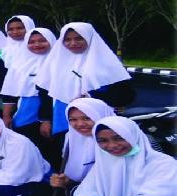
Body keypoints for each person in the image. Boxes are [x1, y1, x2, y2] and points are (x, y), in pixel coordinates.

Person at [50, 116, 177, 196]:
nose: (112, 146)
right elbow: (88, 195)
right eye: (103, 140)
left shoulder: (163, 164)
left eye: (119, 138)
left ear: (132, 136)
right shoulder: (106, 161)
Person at [35, 22, 136, 167]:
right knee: (64, 158)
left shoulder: (106, 62)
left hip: (99, 125)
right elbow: (45, 93)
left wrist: (91, 99)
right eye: (67, 39)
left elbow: (126, 95)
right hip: (62, 121)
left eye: (79, 38)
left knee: (100, 161)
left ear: (89, 38)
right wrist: (45, 119)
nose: (73, 43)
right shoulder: (55, 62)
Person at [0, 28, 57, 165]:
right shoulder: (20, 63)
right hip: (25, 112)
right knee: (27, 149)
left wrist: (46, 119)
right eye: (32, 42)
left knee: (50, 150)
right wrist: (6, 116)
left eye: (42, 40)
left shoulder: (58, 62)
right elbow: (10, 92)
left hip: (52, 112)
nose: (37, 44)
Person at [49, 98, 115, 196]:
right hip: (76, 195)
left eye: (87, 118)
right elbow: (62, 172)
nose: (80, 124)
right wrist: (61, 180)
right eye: (73, 119)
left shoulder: (119, 142)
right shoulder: (68, 138)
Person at [0, 15, 36, 112]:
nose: (15, 32)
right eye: (10, 29)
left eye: (20, 28)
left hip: (35, 97)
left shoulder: (39, 49)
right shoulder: (2, 53)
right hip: (9, 99)